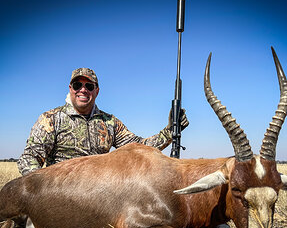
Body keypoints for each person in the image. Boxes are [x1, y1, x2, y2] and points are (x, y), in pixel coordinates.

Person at [18, 68, 189, 176]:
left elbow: (140, 146)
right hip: (60, 191)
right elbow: (30, 157)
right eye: (78, 85)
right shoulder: (51, 119)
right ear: (71, 89)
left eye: (89, 86)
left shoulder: (110, 122)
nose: (83, 90)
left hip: (99, 192)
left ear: (97, 91)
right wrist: (42, 189)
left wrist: (170, 131)